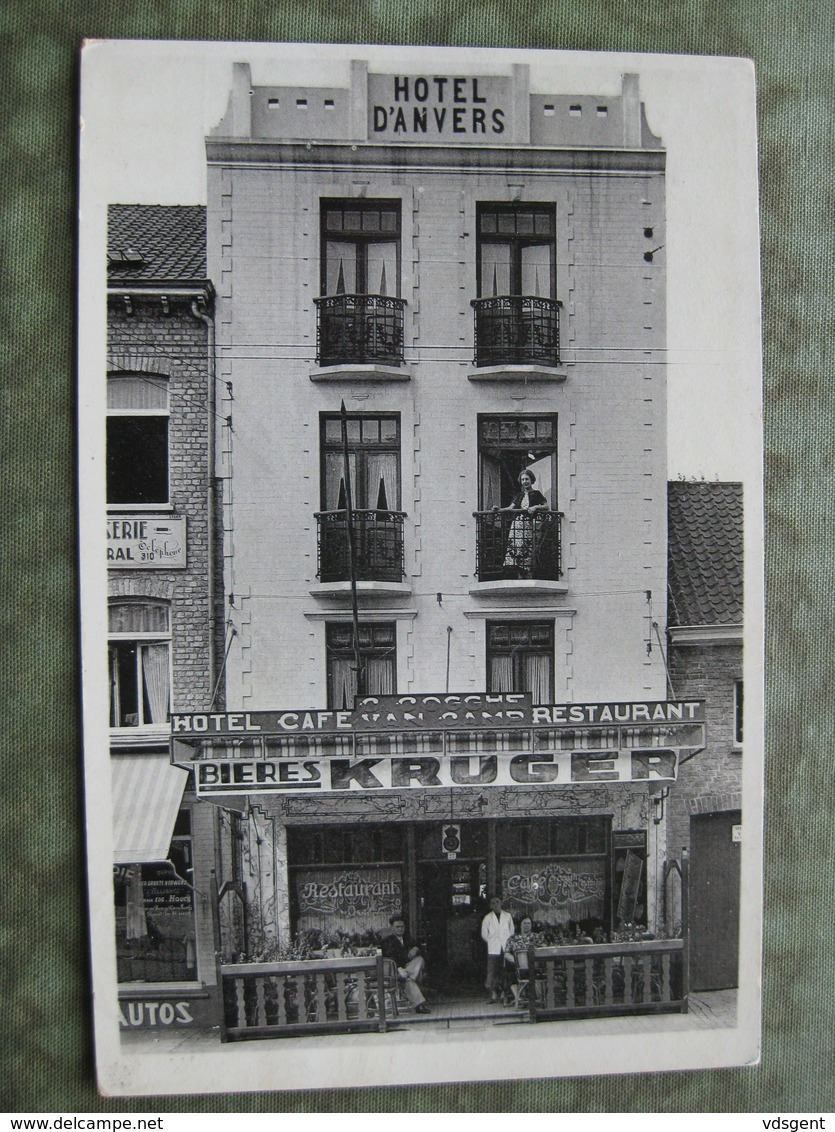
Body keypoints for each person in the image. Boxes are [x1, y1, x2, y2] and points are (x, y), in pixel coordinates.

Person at [494, 469, 549, 578]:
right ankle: (519, 574)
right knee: (516, 548)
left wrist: (535, 507)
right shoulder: (519, 495)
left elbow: (546, 506)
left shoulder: (536, 494)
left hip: (528, 525)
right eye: (523, 479)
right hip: (517, 525)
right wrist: (499, 509)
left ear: (531, 480)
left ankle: (528, 573)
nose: (525, 482)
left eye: (527, 479)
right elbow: (511, 508)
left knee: (527, 548)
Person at [381, 915, 430, 1014]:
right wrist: (398, 968)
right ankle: (418, 1005)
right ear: (392, 928)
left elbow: (422, 951)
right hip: (394, 970)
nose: (400, 929)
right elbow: (390, 957)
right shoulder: (387, 941)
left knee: (419, 960)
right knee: (408, 980)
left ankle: (407, 977)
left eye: (402, 927)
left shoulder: (407, 939)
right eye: (397, 927)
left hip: (407, 969)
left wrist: (416, 948)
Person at [481, 895, 515, 1003]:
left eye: (497, 902)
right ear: (490, 905)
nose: (496, 904)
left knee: (505, 971)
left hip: (506, 947)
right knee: (492, 971)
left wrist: (506, 942)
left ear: (501, 903)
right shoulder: (487, 918)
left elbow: (512, 931)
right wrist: (492, 941)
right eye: (493, 903)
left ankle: (505, 993)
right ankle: (494, 994)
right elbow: (484, 934)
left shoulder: (508, 916)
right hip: (493, 948)